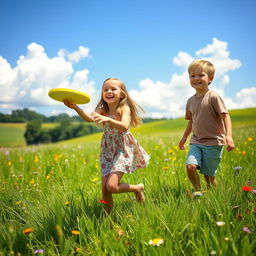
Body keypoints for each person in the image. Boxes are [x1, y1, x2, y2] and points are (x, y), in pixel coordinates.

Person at [63, 78, 150, 213]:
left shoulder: (124, 108)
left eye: (113, 89)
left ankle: (137, 188)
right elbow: (89, 118)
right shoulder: (102, 109)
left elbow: (124, 126)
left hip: (122, 149)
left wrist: (108, 119)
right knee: (105, 189)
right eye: (105, 89)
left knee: (112, 186)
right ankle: (107, 216)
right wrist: (76, 108)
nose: (109, 91)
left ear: (122, 94)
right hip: (108, 150)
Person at [179, 60, 235, 191]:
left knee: (209, 177)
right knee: (190, 167)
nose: (196, 78)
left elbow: (225, 116)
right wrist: (184, 137)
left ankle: (213, 194)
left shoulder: (213, 97)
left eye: (201, 75)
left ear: (210, 78)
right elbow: (191, 121)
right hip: (196, 141)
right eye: (192, 76)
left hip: (214, 142)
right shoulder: (190, 101)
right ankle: (199, 192)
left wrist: (229, 136)